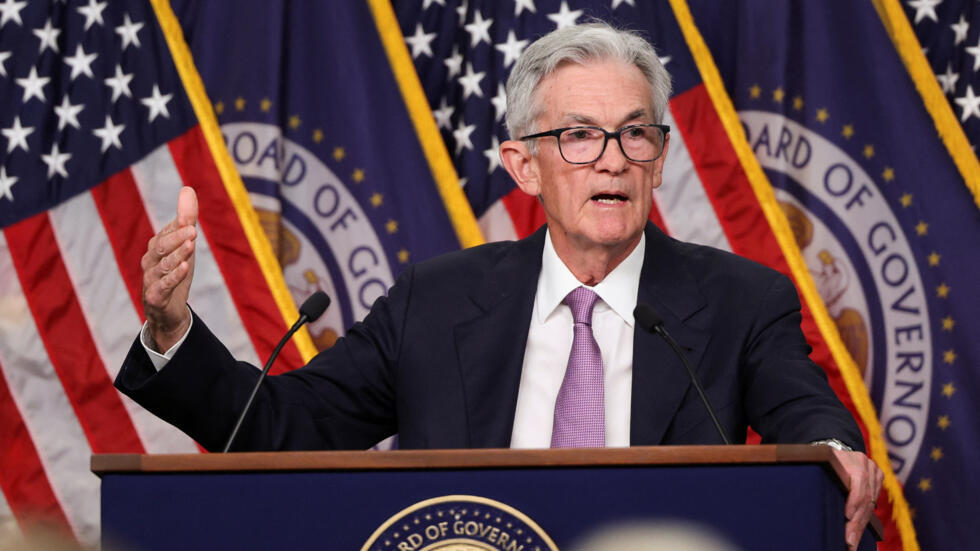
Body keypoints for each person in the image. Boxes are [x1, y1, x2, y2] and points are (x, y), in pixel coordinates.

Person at [117, 22, 882, 550]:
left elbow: (807, 413)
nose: (612, 159)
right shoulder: (433, 302)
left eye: (635, 132)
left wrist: (834, 453)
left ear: (658, 157)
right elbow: (286, 427)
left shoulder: (742, 300)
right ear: (523, 167)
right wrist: (171, 332)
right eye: (578, 135)